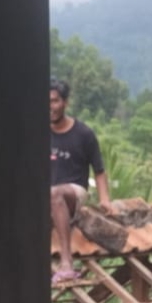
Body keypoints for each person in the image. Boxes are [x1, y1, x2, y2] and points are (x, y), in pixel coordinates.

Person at [50, 78, 111, 284]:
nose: (50, 107)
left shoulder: (83, 133)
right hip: (47, 194)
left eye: (55, 101)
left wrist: (105, 200)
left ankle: (67, 262)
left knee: (55, 193)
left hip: (74, 192)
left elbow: (99, 170)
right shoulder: (39, 132)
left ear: (65, 103)